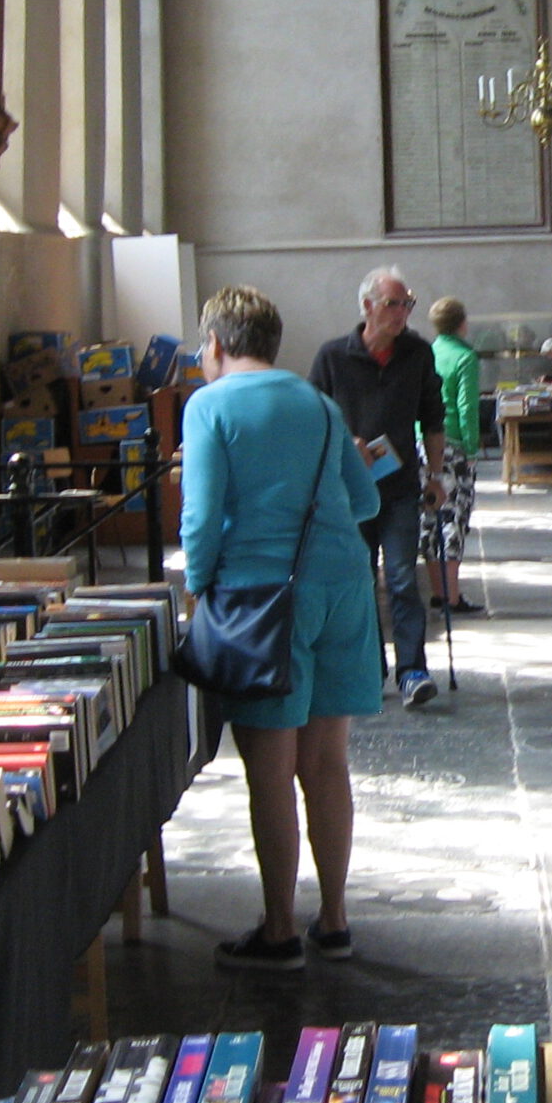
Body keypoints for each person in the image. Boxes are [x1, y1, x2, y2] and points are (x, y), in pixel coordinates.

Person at [179, 285, 381, 972]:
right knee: (327, 765)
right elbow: (365, 497)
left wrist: (200, 589)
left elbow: (201, 518)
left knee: (271, 771)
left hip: (264, 598)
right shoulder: (319, 405)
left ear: (215, 344)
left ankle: (277, 931)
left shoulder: (208, 405)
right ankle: (334, 919)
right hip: (346, 586)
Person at [309, 266, 448, 709]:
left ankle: (413, 671)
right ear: (367, 306)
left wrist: (436, 476)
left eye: (407, 304)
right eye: (393, 304)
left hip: (402, 487)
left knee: (404, 578)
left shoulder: (418, 354)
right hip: (348, 492)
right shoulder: (332, 357)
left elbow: (433, 418)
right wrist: (345, 442)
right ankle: (368, 670)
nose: (403, 312)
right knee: (359, 581)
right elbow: (313, 420)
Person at [424, 296, 483, 616]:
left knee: (430, 516)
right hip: (453, 444)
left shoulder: (427, 353)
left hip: (422, 442)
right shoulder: (464, 356)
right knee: (455, 517)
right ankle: (453, 596)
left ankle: (436, 591)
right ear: (462, 323)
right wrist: (471, 449)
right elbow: (467, 407)